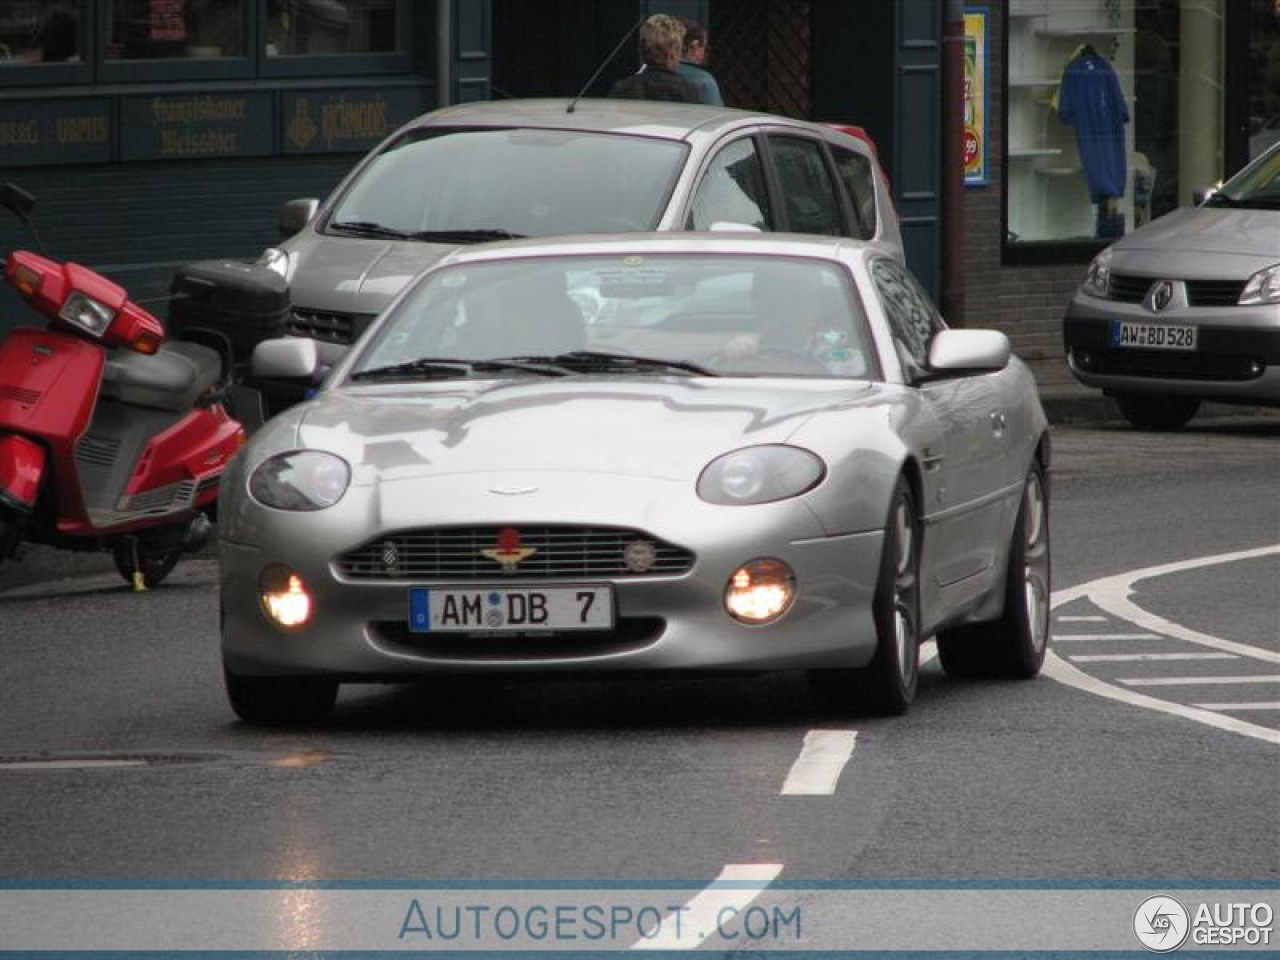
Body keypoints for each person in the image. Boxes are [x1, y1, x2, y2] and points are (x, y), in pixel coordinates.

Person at [608, 14, 702, 104]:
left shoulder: (622, 89)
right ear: (672, 54)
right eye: (680, 50)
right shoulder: (688, 90)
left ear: (642, 51)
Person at [677, 18, 723, 106]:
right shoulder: (704, 81)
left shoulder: (647, 74)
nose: (704, 54)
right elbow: (715, 115)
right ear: (695, 46)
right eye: (704, 48)